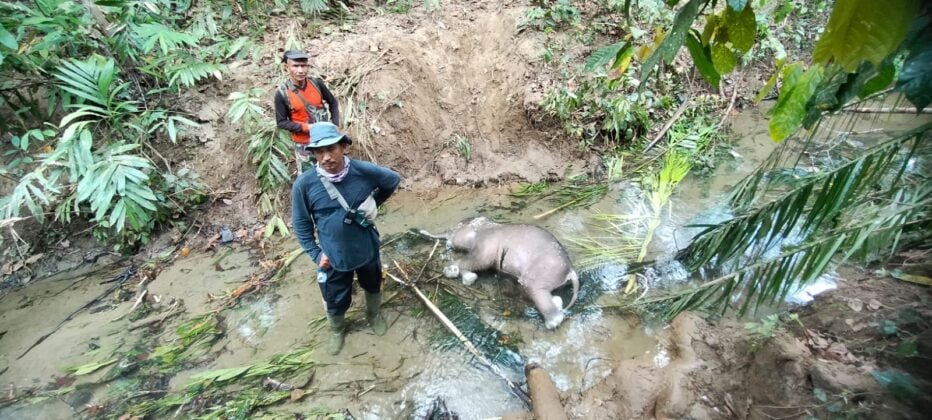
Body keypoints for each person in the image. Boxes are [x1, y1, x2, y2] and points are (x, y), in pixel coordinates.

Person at [291, 122, 401, 356]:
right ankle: (337, 330)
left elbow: (392, 180)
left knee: (372, 285)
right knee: (335, 298)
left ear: (344, 147)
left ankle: (373, 315)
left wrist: (372, 204)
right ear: (313, 155)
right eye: (319, 152)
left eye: (331, 149)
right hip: (333, 257)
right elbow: (301, 225)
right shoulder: (305, 185)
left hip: (367, 247)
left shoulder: (363, 171)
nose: (326, 157)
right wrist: (316, 254)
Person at [274, 50, 342, 174]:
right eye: (295, 66)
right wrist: (307, 128)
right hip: (304, 145)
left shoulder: (316, 84)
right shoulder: (282, 93)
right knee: (309, 178)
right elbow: (281, 122)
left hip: (325, 140)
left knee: (334, 173)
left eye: (304, 65)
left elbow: (333, 103)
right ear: (286, 67)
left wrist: (335, 124)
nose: (301, 70)